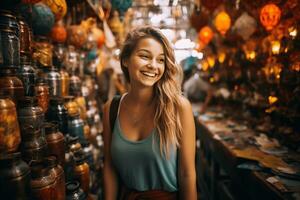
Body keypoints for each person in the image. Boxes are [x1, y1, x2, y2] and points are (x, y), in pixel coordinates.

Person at [102, 26, 197, 200]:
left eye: (160, 60)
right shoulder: (111, 108)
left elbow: (187, 174)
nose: (153, 66)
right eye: (145, 56)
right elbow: (109, 167)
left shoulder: (178, 107)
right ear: (125, 59)